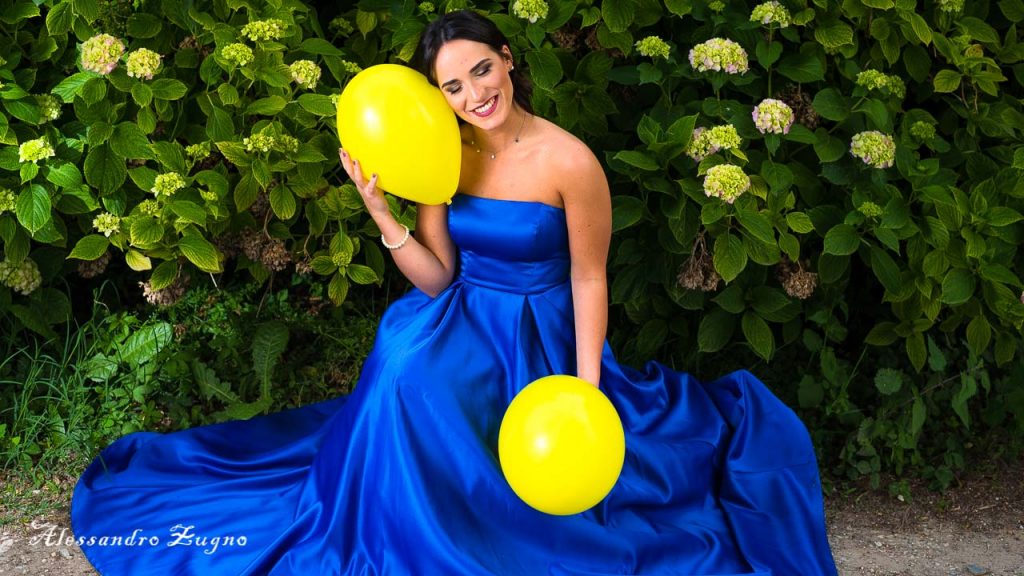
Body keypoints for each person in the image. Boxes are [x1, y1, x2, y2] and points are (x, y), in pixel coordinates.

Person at [71, 9, 839, 575]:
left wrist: (586, 390)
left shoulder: (570, 162)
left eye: (481, 70)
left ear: (507, 62)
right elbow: (439, 275)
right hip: (467, 313)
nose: (473, 93)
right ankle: (418, 531)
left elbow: (588, 275)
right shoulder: (449, 153)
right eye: (453, 84)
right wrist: (384, 216)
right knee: (405, 359)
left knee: (563, 445)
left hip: (546, 328)